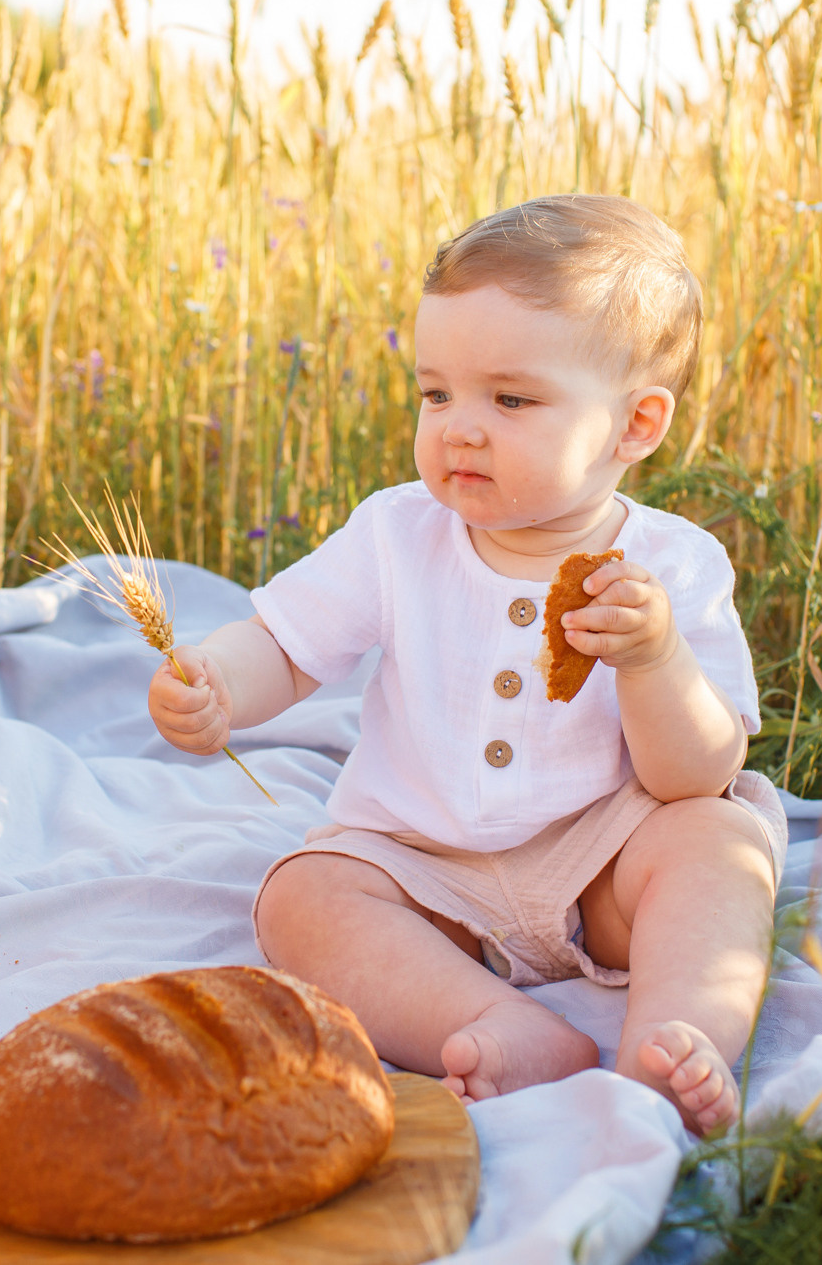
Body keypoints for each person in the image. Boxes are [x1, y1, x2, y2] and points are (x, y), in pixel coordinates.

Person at [146, 194, 783, 1135]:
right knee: (301, 896)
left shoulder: (672, 566)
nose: (459, 428)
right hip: (426, 869)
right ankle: (495, 1019)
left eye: (510, 399)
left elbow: (695, 775)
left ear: (635, 424)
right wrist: (218, 682)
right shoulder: (397, 534)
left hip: (602, 867)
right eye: (436, 394)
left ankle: (674, 1042)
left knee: (718, 844)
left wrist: (654, 659)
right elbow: (284, 642)